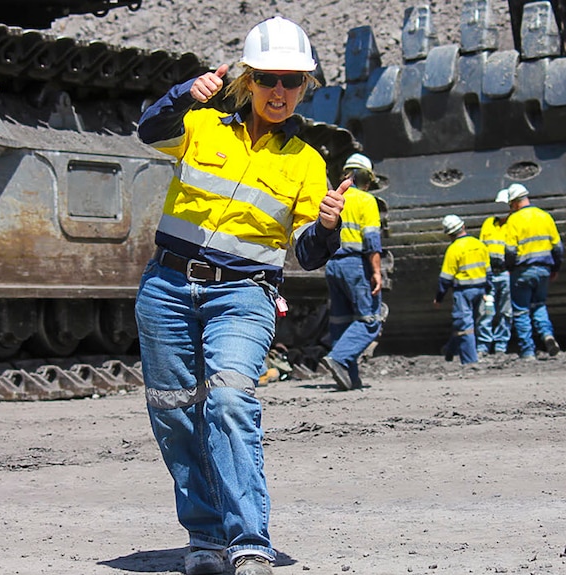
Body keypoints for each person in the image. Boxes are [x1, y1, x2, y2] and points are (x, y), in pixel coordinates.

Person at [134, 17, 349, 575]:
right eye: (270, 78)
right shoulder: (201, 126)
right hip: (167, 287)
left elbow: (307, 252)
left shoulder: (305, 161)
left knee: (229, 401)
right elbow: (150, 130)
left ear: (305, 89)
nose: (280, 91)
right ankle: (205, 537)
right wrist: (184, 93)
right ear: (249, 80)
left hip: (244, 295)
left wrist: (326, 226)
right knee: (175, 413)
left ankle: (250, 540)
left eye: (293, 81)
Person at [320, 153, 384, 391]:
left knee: (341, 320)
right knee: (369, 320)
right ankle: (339, 358)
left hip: (332, 265)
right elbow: (371, 241)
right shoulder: (367, 200)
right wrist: (376, 271)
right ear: (366, 177)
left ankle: (350, 377)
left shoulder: (332, 199)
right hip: (356, 265)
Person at [502, 183, 562, 360]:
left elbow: (510, 250)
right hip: (543, 269)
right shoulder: (545, 216)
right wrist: (555, 268)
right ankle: (547, 335)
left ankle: (527, 351)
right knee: (539, 305)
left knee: (521, 311)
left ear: (515, 202)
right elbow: (558, 247)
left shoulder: (514, 220)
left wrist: (510, 269)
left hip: (523, 271)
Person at [433, 214, 491, 365]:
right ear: (463, 226)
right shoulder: (479, 244)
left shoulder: (454, 249)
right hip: (481, 290)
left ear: (449, 234)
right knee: (473, 322)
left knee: (464, 325)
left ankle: (470, 361)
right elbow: (489, 271)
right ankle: (450, 350)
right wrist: (489, 291)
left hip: (463, 292)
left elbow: (445, 278)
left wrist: (439, 298)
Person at [476, 188, 512, 355]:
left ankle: (500, 345)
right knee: (487, 311)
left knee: (506, 311)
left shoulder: (514, 224)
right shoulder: (488, 223)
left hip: (506, 274)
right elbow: (481, 248)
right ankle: (483, 345)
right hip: (489, 276)